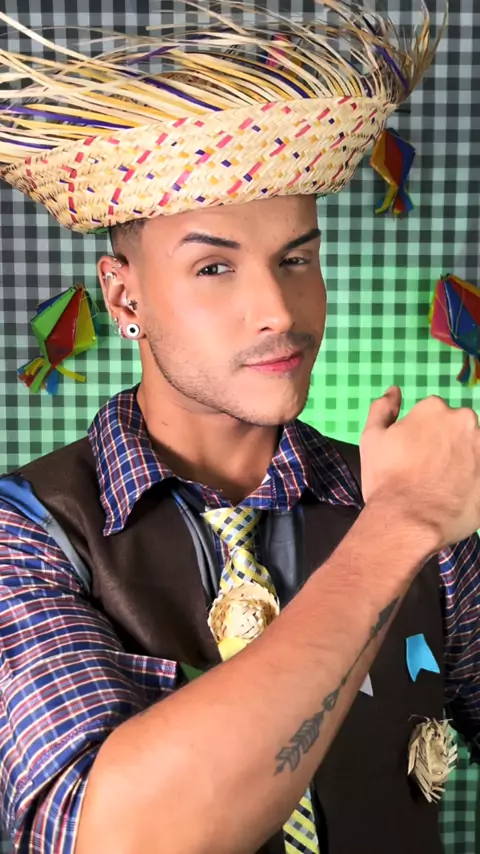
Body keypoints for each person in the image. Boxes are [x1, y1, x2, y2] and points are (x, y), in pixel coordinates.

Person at [0, 3, 477, 854]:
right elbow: (119, 837)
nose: (278, 311)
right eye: (215, 267)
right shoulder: (29, 533)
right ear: (124, 296)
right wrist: (397, 528)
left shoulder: (419, 498)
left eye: (297, 259)